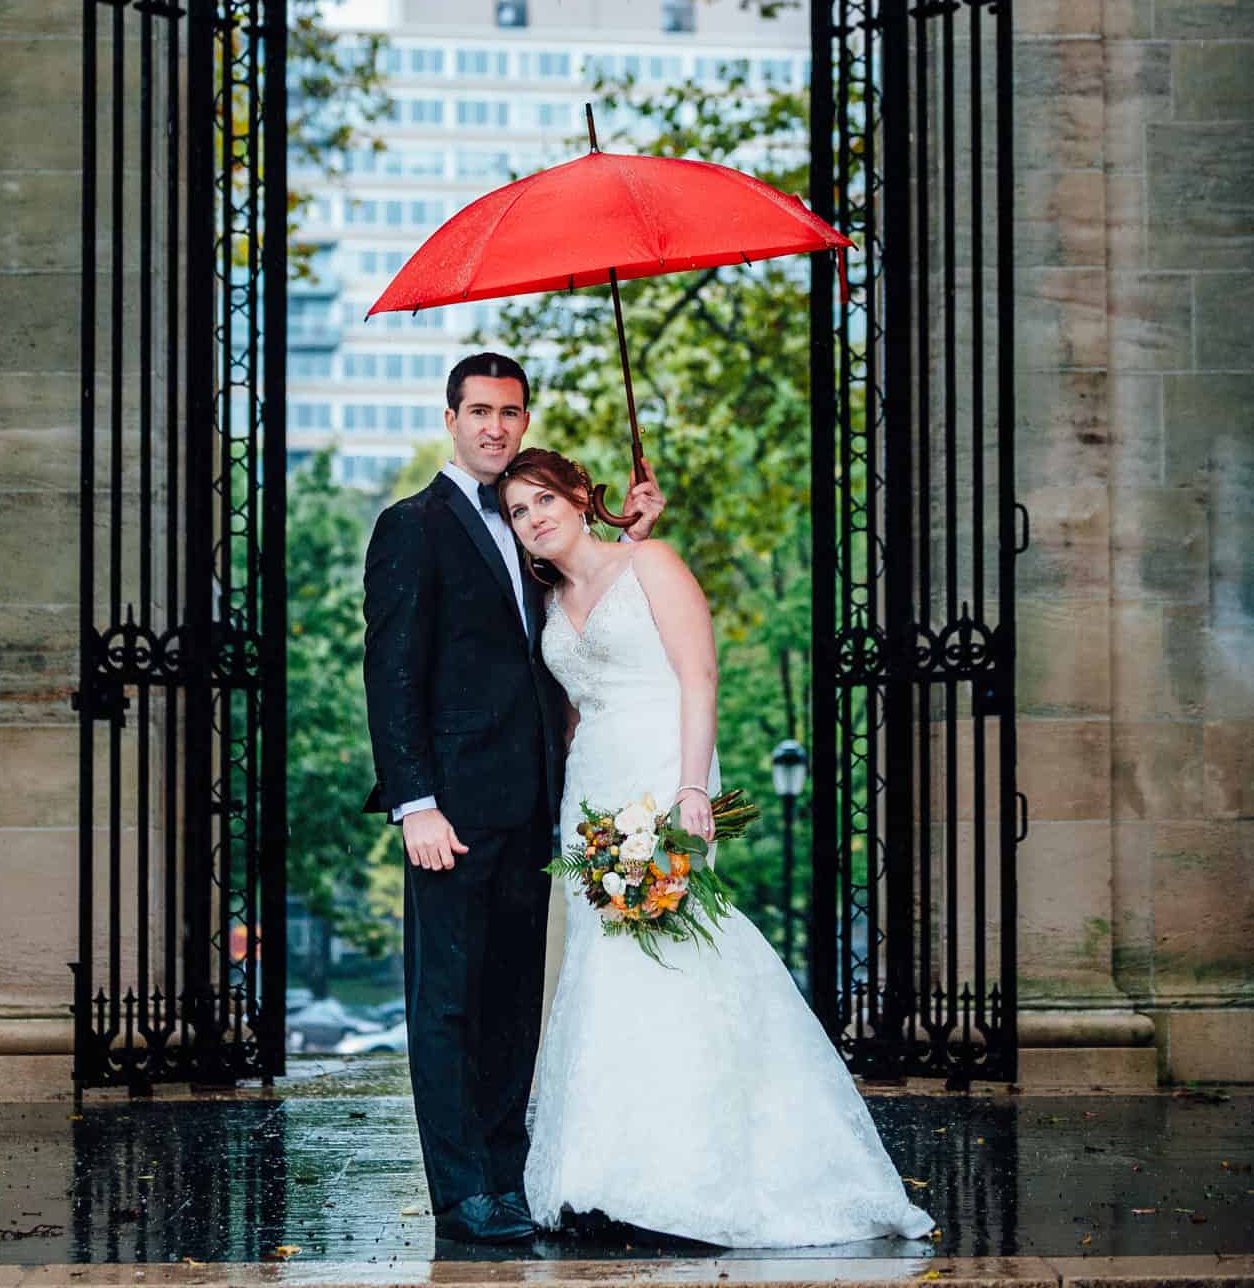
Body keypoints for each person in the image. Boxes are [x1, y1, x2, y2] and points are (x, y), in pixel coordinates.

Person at [499, 447, 936, 1250]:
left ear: (578, 495)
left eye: (543, 500)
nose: (534, 520)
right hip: (590, 787)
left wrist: (692, 789)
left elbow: (698, 677)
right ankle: (606, 1171)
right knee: (603, 971)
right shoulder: (551, 600)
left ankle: (691, 1170)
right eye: (519, 512)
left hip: (665, 771)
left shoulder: (652, 563)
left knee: (678, 952)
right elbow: (567, 714)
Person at [361, 354, 665, 1246]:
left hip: (536, 807)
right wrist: (414, 800)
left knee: (507, 1002)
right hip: (448, 814)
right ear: (450, 418)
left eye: (510, 411)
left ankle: (506, 1173)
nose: (495, 426)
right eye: (480, 411)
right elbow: (391, 672)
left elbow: (593, 616)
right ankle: (462, 1195)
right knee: (448, 1002)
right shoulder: (411, 526)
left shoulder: (527, 524)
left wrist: (634, 531)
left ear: (524, 421)